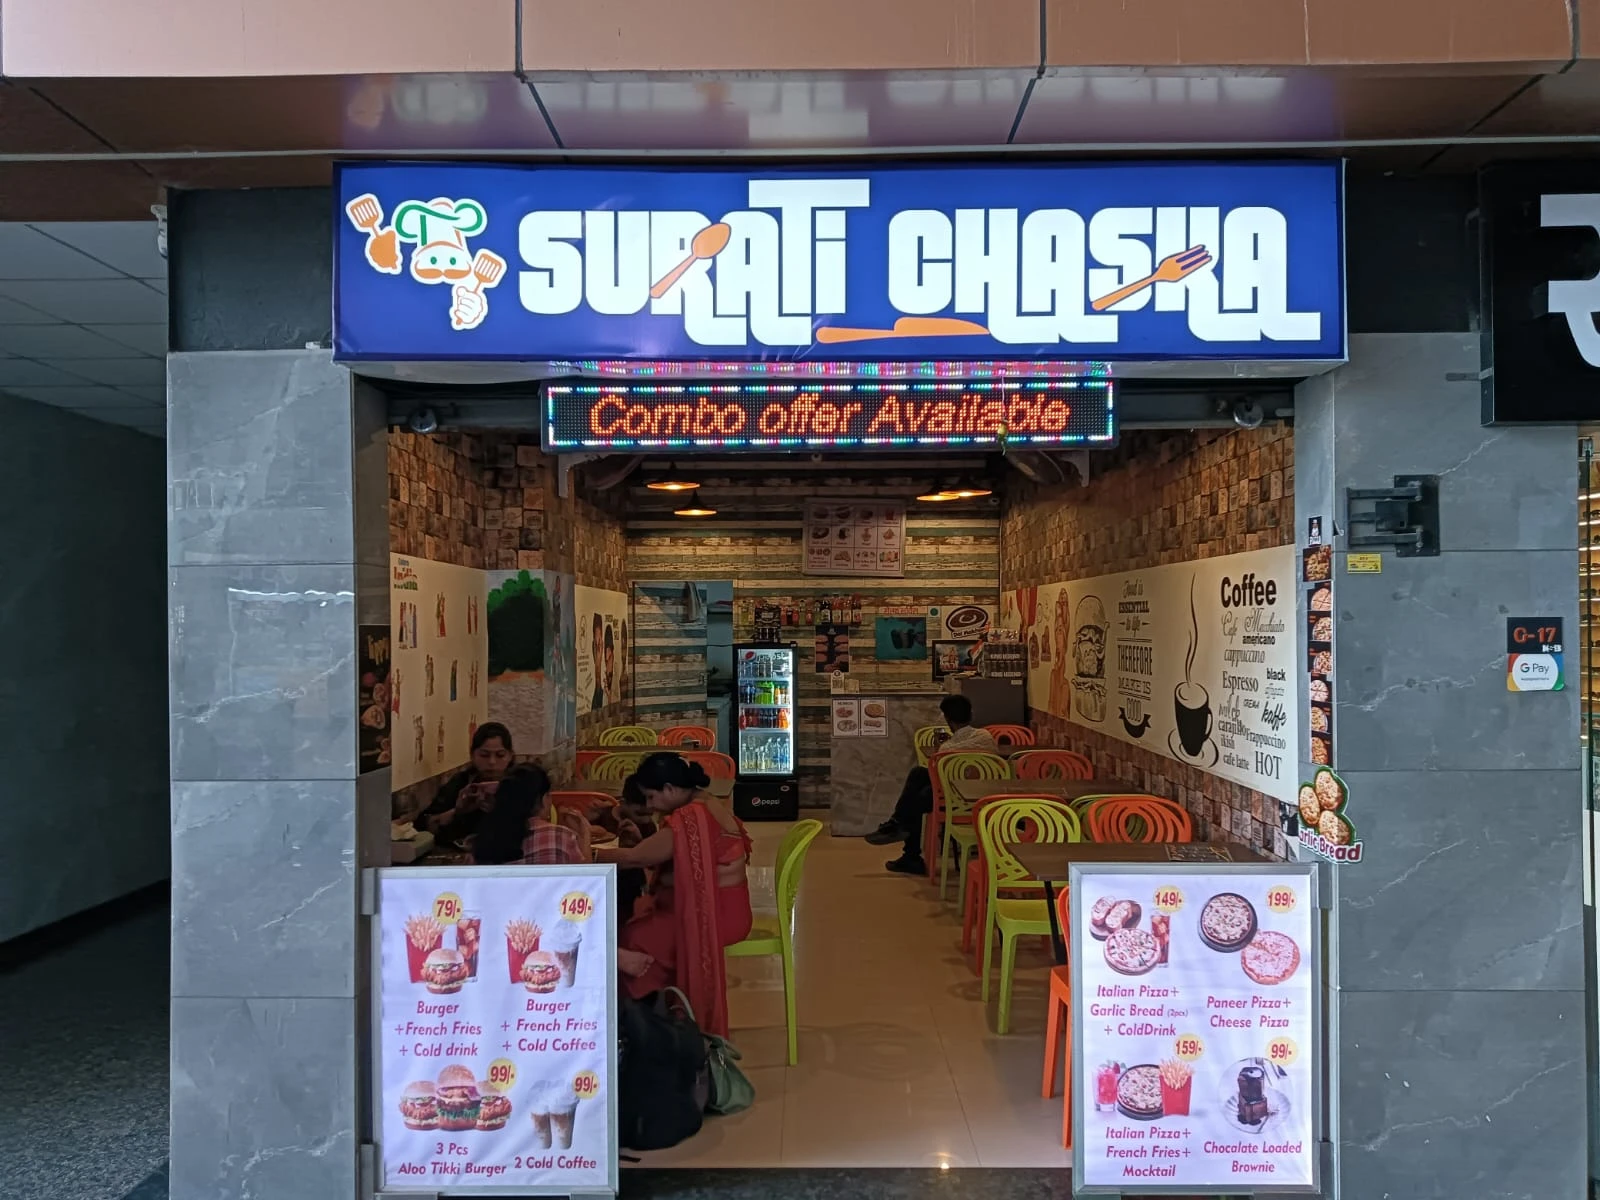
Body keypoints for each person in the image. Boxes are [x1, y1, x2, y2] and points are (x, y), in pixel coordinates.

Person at [594, 753, 753, 1039]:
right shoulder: (705, 802)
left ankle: (648, 1029)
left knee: (632, 939)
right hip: (726, 907)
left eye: (651, 797)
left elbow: (635, 858)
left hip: (717, 916)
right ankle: (660, 1020)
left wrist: (586, 853)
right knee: (637, 925)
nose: (649, 806)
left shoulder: (691, 818)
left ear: (669, 789)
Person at [865, 694, 998, 875]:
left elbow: (937, 773)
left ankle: (903, 838)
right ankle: (900, 830)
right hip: (984, 796)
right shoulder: (986, 736)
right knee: (919, 775)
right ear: (971, 714)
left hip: (955, 802)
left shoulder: (946, 749)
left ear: (948, 720)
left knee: (916, 800)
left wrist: (938, 749)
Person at [415, 723, 515, 845]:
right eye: (484, 755)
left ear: (510, 756)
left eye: (500, 755)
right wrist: (458, 811)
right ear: (472, 755)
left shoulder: (520, 782)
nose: (492, 762)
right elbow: (421, 826)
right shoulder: (462, 783)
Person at [471, 765, 590, 866]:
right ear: (544, 799)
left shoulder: (485, 838)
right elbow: (585, 877)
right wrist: (585, 834)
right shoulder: (560, 836)